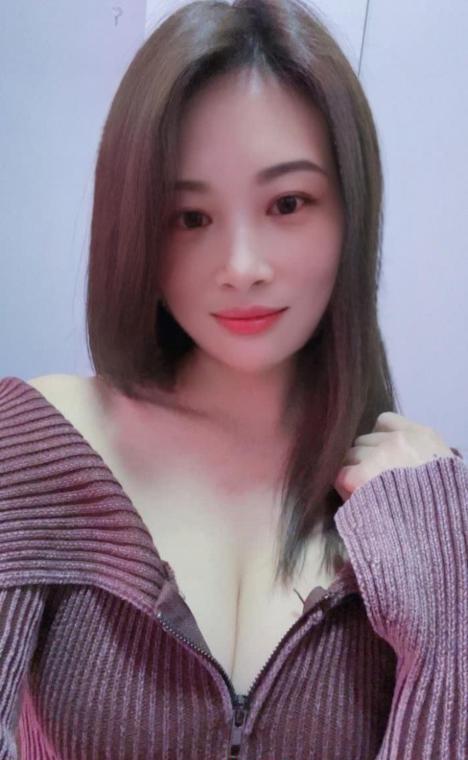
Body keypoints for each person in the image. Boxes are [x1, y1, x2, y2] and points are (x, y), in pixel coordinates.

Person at [0, 1, 466, 758]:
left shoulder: (425, 502)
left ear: (350, 214)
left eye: (288, 203)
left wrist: (445, 605)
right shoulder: (32, 449)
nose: (241, 266)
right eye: (190, 217)